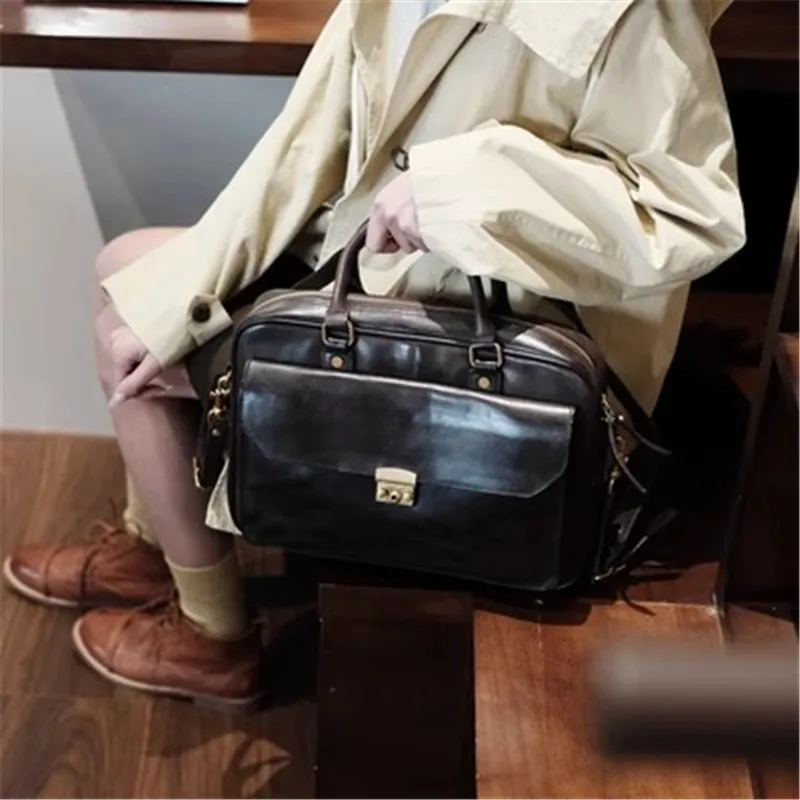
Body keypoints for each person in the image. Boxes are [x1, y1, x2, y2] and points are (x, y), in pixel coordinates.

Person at [4, 0, 745, 708]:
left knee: (126, 333)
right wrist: (180, 301)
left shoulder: (643, 8)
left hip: (506, 330)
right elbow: (302, 147)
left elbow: (690, 212)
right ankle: (156, 545)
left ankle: (211, 638)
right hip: (388, 268)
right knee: (131, 274)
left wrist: (463, 192)